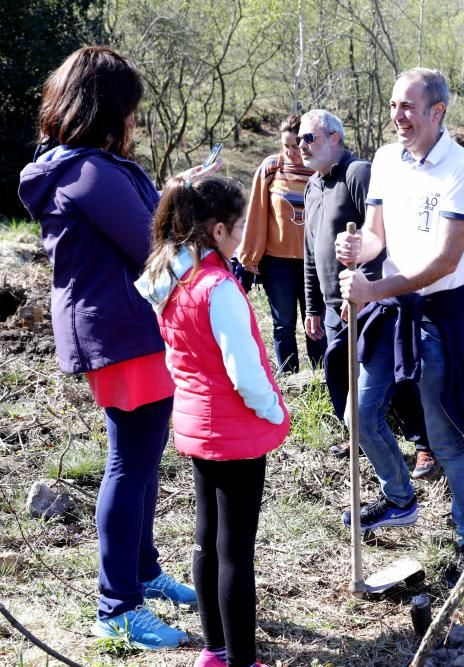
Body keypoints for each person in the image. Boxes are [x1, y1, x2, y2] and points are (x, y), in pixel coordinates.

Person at [18, 46, 203, 649]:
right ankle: (116, 605)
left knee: (143, 459)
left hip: (127, 329)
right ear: (107, 107)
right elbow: (157, 255)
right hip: (124, 334)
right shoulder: (90, 173)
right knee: (130, 462)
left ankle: (142, 571)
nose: (134, 119)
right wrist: (195, 227)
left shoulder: (87, 166)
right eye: (129, 107)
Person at [335, 67, 464, 588]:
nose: (397, 116)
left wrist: (373, 289)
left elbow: (445, 262)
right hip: (389, 305)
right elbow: (379, 240)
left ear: (436, 111)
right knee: (358, 413)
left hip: (437, 313)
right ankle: (399, 498)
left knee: (443, 434)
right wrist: (358, 253)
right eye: (392, 106)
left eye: (407, 106)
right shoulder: (384, 160)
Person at [137, 176, 289, 667]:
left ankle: (215, 650)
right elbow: (244, 372)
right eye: (240, 226)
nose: (243, 234)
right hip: (235, 432)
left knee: (206, 539)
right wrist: (274, 409)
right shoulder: (217, 288)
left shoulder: (171, 279)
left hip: (196, 425)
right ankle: (242, 661)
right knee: (235, 553)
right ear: (219, 230)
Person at [298, 109, 439, 480]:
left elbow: (382, 236)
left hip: (370, 301)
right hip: (332, 305)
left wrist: (365, 290)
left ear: (334, 138)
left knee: (390, 374)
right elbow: (311, 251)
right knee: (339, 371)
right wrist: (312, 305)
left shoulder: (357, 173)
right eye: (299, 139)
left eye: (308, 138)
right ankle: (359, 436)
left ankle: (424, 444)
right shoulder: (313, 185)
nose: (302, 146)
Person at [237, 114, 325, 374]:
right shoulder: (271, 167)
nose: (290, 152)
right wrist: (250, 254)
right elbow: (256, 211)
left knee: (316, 323)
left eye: (295, 146)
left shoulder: (319, 170)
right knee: (283, 324)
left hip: (313, 263)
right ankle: (289, 379)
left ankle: (323, 377)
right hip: (278, 264)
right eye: (285, 146)